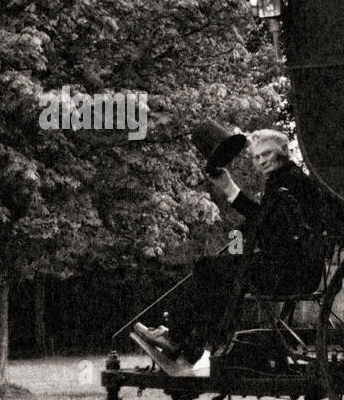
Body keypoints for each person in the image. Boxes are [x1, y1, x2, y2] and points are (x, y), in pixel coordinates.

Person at [132, 129, 330, 374]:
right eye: (257, 157)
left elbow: (263, 224)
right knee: (217, 270)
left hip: (286, 271)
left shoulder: (288, 182)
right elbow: (261, 224)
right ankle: (189, 344)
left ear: (284, 152)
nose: (262, 161)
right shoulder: (288, 180)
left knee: (208, 268)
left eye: (267, 153)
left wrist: (230, 189)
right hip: (293, 269)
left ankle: (177, 338)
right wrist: (235, 236)